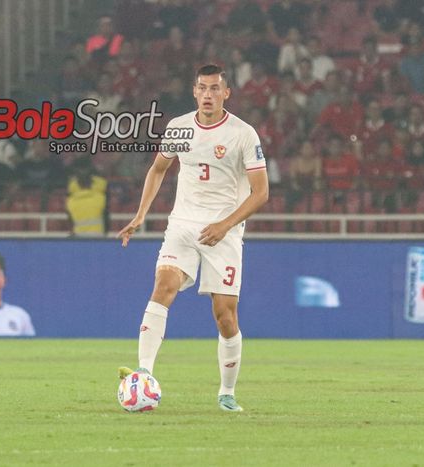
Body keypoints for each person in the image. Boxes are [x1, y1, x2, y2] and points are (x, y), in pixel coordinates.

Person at [116, 64, 269, 412]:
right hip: (183, 224)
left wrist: (225, 225)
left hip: (223, 232)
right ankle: (144, 374)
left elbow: (260, 193)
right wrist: (140, 215)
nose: (208, 95)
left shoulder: (243, 134)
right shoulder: (178, 127)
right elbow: (158, 169)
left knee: (224, 316)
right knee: (163, 286)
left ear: (226, 93)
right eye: (202, 88)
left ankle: (226, 392)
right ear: (194, 91)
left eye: (215, 89)